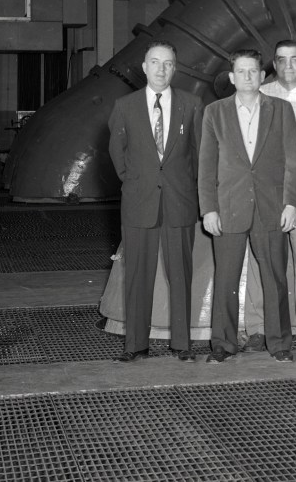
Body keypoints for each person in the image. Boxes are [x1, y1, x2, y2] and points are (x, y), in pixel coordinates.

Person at [199, 49, 296, 363]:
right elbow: (206, 166)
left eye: (253, 71)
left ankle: (280, 343)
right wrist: (209, 209)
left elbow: (293, 162)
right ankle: (223, 343)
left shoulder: (281, 110)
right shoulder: (214, 112)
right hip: (228, 207)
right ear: (232, 78)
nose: (247, 76)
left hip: (271, 206)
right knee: (226, 278)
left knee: (275, 277)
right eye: (240, 71)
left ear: (262, 76)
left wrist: (291, 204)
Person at [108, 40, 202, 363]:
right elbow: (117, 154)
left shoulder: (192, 105)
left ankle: (182, 344)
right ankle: (135, 345)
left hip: (179, 202)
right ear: (144, 67)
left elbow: (199, 155)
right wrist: (136, 183)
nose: (161, 69)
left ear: (174, 69)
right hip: (139, 202)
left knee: (181, 274)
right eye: (155, 62)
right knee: (137, 275)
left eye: (168, 64)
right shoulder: (125, 106)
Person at [241, 39, 296, 350]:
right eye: (282, 60)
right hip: (265, 189)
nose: (289, 66)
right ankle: (257, 327)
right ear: (273, 65)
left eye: (294, 60)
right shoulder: (260, 96)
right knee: (259, 257)